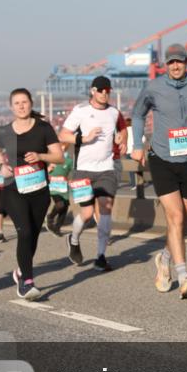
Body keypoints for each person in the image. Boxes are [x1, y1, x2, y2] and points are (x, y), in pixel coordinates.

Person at [131, 43, 187, 298]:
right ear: (165, 65)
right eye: (171, 62)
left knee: (181, 220)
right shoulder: (153, 88)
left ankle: (164, 259)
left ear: (186, 62)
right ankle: (184, 276)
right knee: (177, 217)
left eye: (179, 61)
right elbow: (137, 115)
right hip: (161, 158)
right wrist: (137, 145)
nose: (175, 66)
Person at [0, 88, 64, 301]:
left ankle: (22, 270)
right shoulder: (5, 131)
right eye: (17, 103)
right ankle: (27, 282)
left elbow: (58, 156)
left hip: (39, 189)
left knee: (32, 234)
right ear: (11, 106)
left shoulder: (43, 128)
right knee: (23, 232)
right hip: (14, 188)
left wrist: (40, 155)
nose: (21, 106)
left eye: (25, 102)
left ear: (31, 104)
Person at [59, 76, 127, 272]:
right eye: (101, 90)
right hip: (83, 170)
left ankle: (101, 256)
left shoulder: (114, 112)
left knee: (105, 209)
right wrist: (83, 138)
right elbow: (63, 135)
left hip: (106, 169)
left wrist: (123, 140)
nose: (105, 94)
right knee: (87, 213)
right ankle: (73, 239)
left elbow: (122, 128)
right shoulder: (81, 111)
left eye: (108, 91)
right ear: (92, 91)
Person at [45, 145, 73, 236]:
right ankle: (50, 217)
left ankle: (57, 228)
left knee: (65, 207)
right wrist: (48, 170)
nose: (62, 146)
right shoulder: (50, 158)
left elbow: (71, 172)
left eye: (63, 145)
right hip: (52, 186)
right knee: (60, 204)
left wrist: (71, 180)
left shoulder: (69, 160)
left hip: (63, 187)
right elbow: (40, 169)